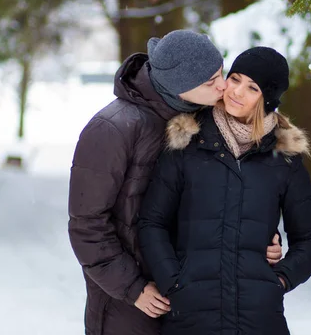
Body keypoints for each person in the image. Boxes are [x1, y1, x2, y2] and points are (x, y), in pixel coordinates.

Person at [68, 31, 283, 335]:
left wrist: (265, 236)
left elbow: (229, 193)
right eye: (211, 81)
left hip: (191, 300)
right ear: (180, 87)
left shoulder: (209, 121)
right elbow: (87, 225)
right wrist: (133, 288)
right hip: (130, 307)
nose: (223, 86)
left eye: (221, 73)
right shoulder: (112, 129)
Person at [138, 46, 311, 335]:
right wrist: (174, 282)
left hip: (259, 319)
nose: (237, 91)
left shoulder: (284, 158)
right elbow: (152, 223)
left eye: (252, 88)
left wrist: (280, 281)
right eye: (235, 79)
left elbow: (309, 238)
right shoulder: (187, 143)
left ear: (268, 99)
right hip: (190, 316)